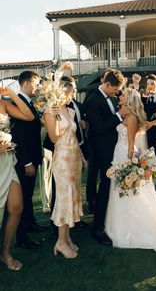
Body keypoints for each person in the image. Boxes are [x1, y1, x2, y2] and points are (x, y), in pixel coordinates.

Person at [105, 88, 156, 249]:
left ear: (129, 99)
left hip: (124, 154)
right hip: (119, 152)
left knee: (127, 188)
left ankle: (133, 228)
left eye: (122, 95)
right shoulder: (127, 115)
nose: (120, 96)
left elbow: (131, 145)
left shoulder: (131, 118)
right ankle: (123, 223)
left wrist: (130, 165)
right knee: (122, 190)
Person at [84, 69, 129, 245]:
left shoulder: (110, 97)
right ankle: (97, 229)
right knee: (104, 189)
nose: (117, 93)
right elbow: (101, 127)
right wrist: (120, 115)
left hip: (114, 150)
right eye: (115, 89)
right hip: (101, 152)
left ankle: (108, 221)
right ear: (107, 84)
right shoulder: (93, 100)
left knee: (109, 188)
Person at [44, 80, 85, 259]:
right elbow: (53, 138)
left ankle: (66, 237)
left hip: (74, 159)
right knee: (64, 199)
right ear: (61, 94)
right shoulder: (50, 112)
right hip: (61, 160)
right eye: (70, 94)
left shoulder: (69, 110)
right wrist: (54, 118)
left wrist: (82, 157)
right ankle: (60, 242)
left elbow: (74, 136)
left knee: (73, 197)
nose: (73, 97)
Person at [11, 71, 47, 250]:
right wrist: (26, 162)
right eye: (36, 83)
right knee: (22, 197)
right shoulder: (16, 103)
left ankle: (30, 222)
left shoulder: (29, 103)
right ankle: (21, 236)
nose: (38, 87)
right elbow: (18, 136)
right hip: (25, 160)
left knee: (29, 194)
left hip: (33, 156)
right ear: (26, 84)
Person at [0, 86, 34, 270]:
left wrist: (11, 94)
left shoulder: (3, 105)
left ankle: (5, 252)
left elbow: (28, 116)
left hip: (6, 162)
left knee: (16, 206)